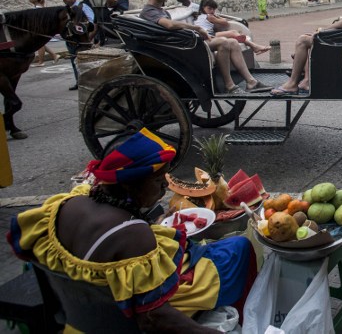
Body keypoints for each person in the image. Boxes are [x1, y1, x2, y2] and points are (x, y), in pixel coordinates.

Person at [8, 128, 257, 333]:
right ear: (129, 185)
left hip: (81, 315)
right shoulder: (135, 236)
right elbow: (153, 317)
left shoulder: (65, 204)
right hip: (124, 320)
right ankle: (243, 320)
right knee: (238, 248)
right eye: (159, 182)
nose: (164, 189)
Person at [139, 0, 269, 94]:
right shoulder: (148, 11)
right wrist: (196, 28)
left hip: (185, 42)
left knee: (233, 42)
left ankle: (251, 82)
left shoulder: (161, 11)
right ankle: (229, 85)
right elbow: (169, 25)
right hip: (177, 49)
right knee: (224, 41)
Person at [196, 0, 270, 55]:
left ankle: (252, 46)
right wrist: (218, 17)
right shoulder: (209, 16)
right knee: (233, 32)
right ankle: (254, 47)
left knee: (233, 34)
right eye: (209, 8)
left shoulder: (200, 16)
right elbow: (225, 23)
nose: (212, 11)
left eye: (213, 9)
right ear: (203, 8)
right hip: (208, 35)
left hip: (206, 35)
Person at [60, 0, 95, 90]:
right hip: (71, 40)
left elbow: (91, 21)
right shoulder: (66, 9)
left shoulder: (82, 6)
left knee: (84, 62)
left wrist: (89, 39)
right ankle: (79, 82)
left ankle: (88, 83)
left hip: (82, 40)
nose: (64, 0)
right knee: (74, 62)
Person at [28, 0, 60, 67]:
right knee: (41, 44)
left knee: (40, 44)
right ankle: (54, 55)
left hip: (40, 29)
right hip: (41, 28)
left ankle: (41, 62)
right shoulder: (39, 7)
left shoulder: (38, 8)